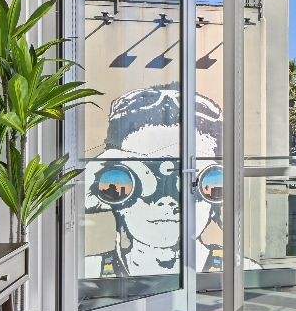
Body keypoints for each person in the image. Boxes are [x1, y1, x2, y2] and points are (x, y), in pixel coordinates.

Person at [85, 83, 224, 281]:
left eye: (196, 178)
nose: (168, 200)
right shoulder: (87, 271)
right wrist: (85, 190)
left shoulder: (242, 270)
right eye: (132, 179)